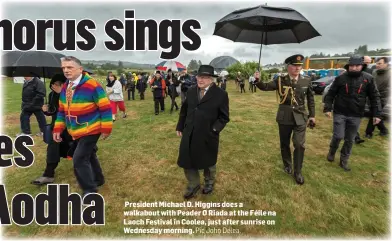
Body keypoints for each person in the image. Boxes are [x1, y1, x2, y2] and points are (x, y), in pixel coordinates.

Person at [53, 56, 113, 198]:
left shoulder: (92, 85)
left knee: (79, 158)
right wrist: (57, 128)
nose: (66, 70)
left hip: (91, 128)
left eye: (70, 67)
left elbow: (105, 107)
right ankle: (98, 179)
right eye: (64, 68)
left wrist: (106, 128)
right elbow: (62, 110)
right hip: (75, 130)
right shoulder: (66, 86)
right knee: (89, 154)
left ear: (80, 69)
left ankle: (90, 191)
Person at [254, 54, 315, 185]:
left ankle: (298, 171)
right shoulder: (280, 80)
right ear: (288, 67)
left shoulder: (306, 80)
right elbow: (265, 87)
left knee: (299, 144)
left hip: (300, 116)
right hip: (285, 115)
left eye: (299, 66)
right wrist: (258, 80)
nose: (297, 68)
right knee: (285, 143)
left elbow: (310, 99)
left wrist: (312, 115)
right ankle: (287, 164)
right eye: (294, 66)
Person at [176, 65, 230, 199]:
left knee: (208, 160)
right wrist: (180, 126)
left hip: (208, 133)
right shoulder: (191, 91)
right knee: (186, 157)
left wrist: (214, 130)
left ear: (211, 79)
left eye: (205, 77)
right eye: (199, 76)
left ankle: (209, 183)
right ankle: (193, 184)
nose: (201, 80)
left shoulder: (221, 94)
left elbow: (224, 117)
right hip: (190, 131)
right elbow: (184, 110)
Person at [324, 55, 382, 171]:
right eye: (352, 66)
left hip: (356, 114)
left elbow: (374, 97)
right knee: (338, 135)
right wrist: (327, 108)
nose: (354, 68)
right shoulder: (341, 78)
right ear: (348, 66)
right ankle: (332, 151)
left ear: (362, 66)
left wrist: (377, 114)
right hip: (340, 112)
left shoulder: (368, 79)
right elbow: (331, 94)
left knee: (349, 139)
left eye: (357, 66)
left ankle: (344, 160)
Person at [31, 74, 74, 185]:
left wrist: (62, 94)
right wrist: (46, 110)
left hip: (72, 127)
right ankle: (48, 175)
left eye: (57, 84)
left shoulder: (71, 93)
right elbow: (53, 112)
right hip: (57, 127)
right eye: (53, 84)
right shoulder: (51, 95)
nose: (54, 86)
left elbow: (72, 109)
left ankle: (91, 172)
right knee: (52, 149)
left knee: (81, 151)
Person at [365, 57, 390, 138]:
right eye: (376, 63)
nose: (377, 65)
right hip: (372, 97)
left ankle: (368, 133)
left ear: (386, 64)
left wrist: (377, 94)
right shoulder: (375, 72)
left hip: (382, 98)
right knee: (375, 114)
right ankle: (384, 130)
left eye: (379, 64)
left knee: (373, 114)